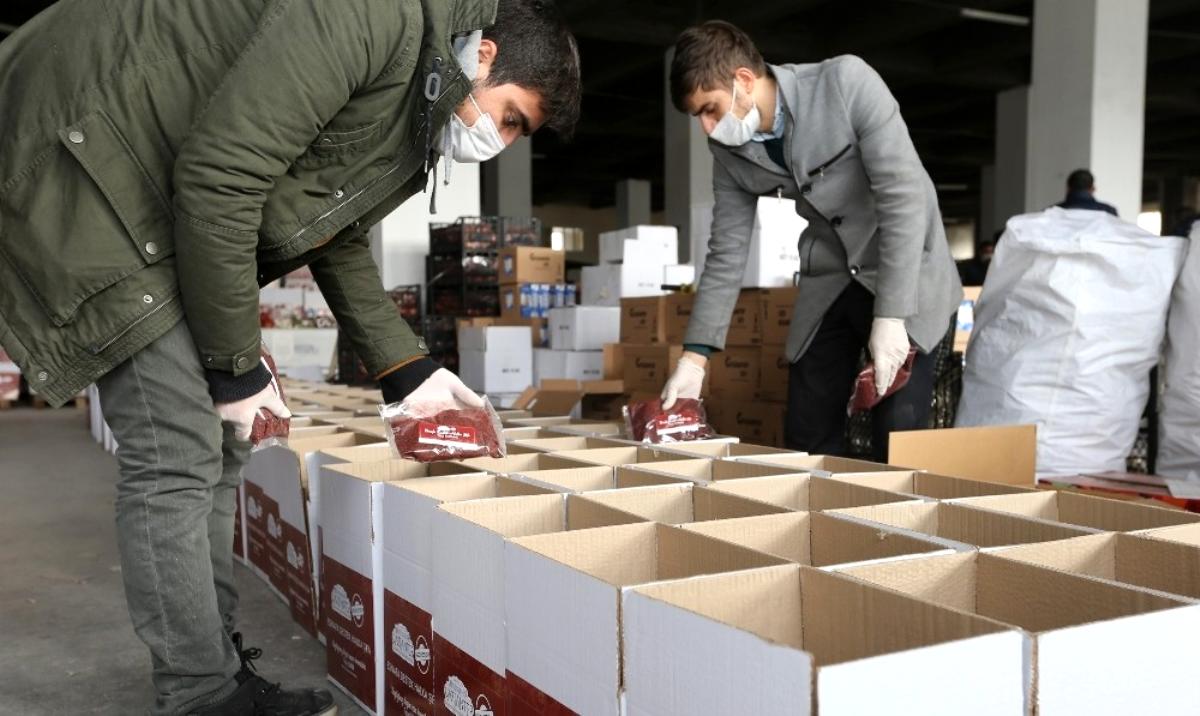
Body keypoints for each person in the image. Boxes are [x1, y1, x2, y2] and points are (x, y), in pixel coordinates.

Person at [0, 1, 580, 714]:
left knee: (225, 441)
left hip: (144, 181)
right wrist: (235, 364)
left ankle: (211, 666)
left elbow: (319, 224)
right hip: (78, 154)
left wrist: (409, 371)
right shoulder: (377, 19)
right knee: (177, 444)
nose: (504, 139)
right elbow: (223, 176)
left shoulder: (415, 88)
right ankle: (200, 695)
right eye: (513, 117)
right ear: (484, 55)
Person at [659, 21, 961, 460]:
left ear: (743, 80)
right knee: (806, 426)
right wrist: (694, 358)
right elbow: (726, 251)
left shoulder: (844, 83)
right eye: (698, 117)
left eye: (710, 109)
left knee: (895, 437)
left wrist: (892, 314)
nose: (707, 128)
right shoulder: (728, 153)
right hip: (833, 276)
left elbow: (904, 198)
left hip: (905, 267)